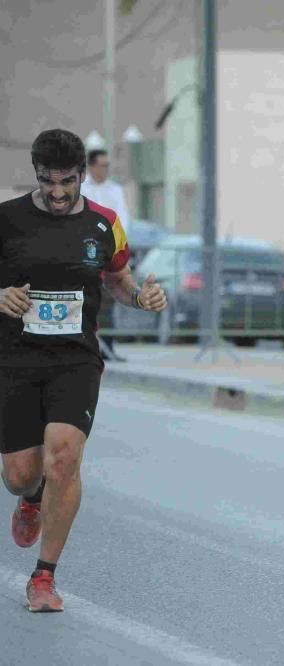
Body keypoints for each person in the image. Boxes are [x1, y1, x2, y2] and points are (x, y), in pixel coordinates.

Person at [0, 129, 168, 612]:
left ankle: (44, 579)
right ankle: (30, 496)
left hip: (76, 359)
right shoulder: (8, 220)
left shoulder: (105, 224)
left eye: (67, 181)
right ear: (36, 174)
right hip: (16, 358)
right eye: (48, 181)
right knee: (19, 473)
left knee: (65, 458)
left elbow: (117, 279)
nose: (57, 192)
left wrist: (140, 296)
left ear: (81, 177)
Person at [81, 149, 132, 361]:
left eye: (107, 165)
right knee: (87, 299)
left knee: (109, 301)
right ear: (91, 166)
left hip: (108, 253)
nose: (104, 169)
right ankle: (88, 346)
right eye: (101, 165)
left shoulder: (115, 190)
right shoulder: (81, 188)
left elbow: (123, 221)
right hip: (84, 252)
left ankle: (109, 348)